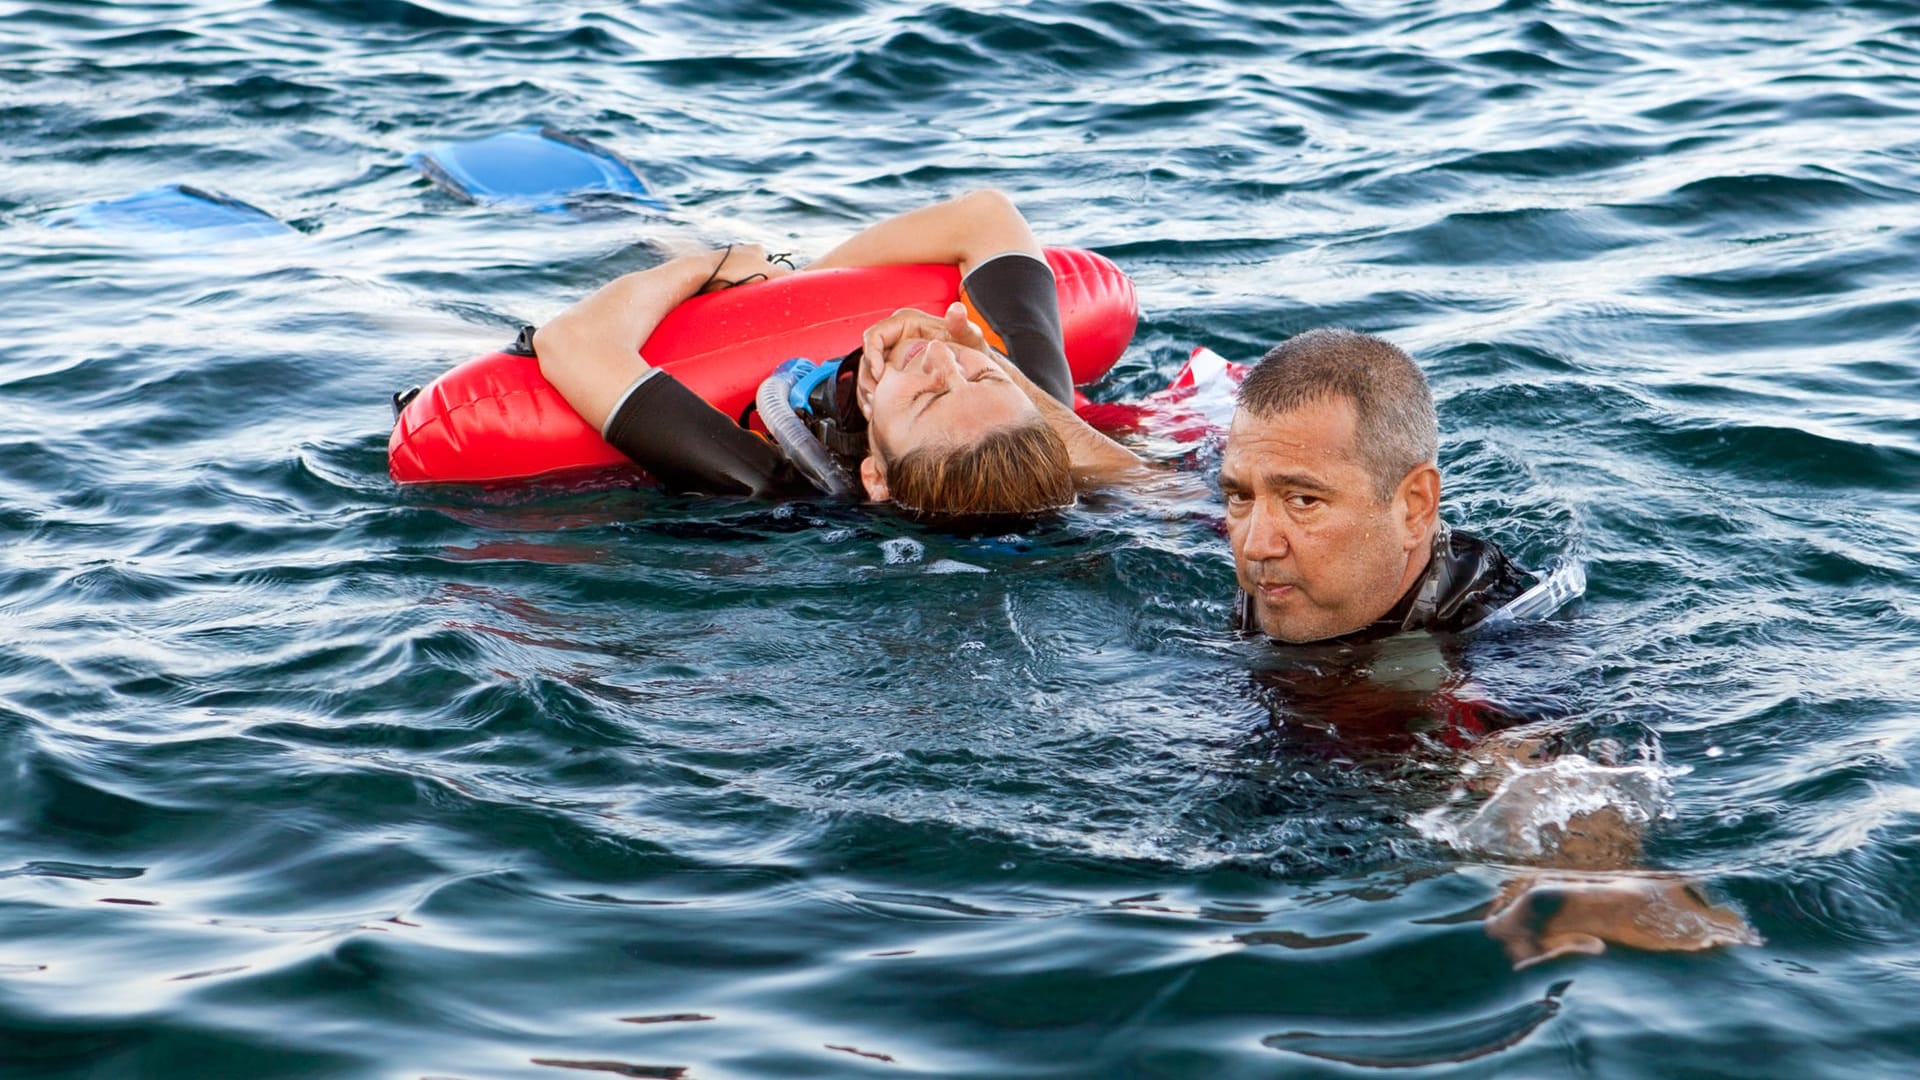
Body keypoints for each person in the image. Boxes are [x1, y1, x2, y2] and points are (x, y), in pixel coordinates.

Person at [1219, 328, 1756, 968]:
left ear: (1415, 506)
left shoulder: (1487, 639)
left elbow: (1550, 756)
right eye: (1239, 496)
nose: (1254, 545)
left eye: (1303, 501)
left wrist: (1593, 876)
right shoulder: (1281, 555)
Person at [529, 190, 1138, 518]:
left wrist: (715, 266)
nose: (942, 360)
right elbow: (986, 214)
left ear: (875, 476)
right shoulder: (1026, 417)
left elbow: (570, 341)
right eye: (983, 371)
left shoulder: (766, 481)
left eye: (928, 395)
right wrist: (789, 294)